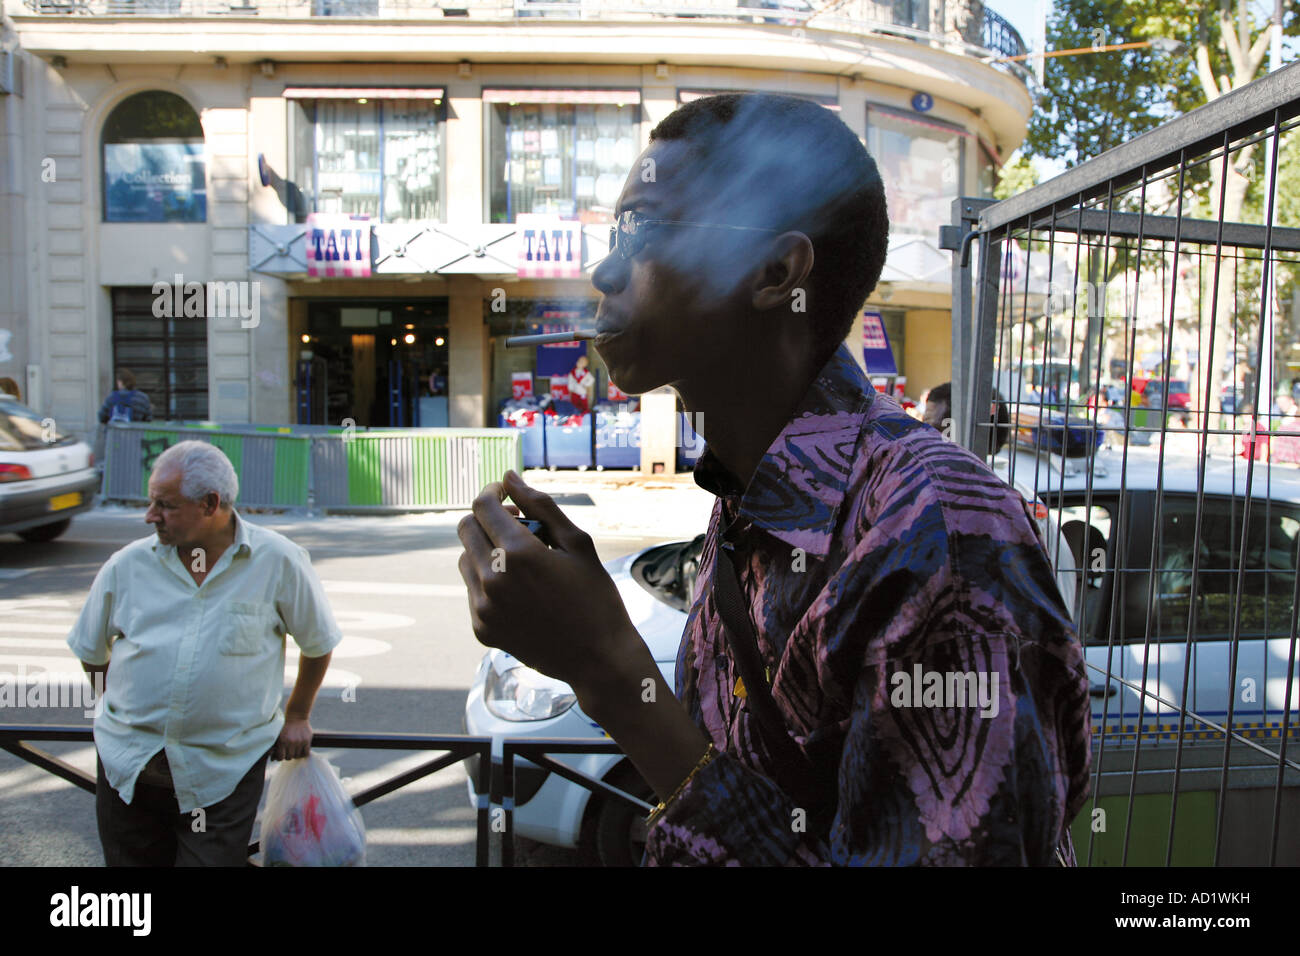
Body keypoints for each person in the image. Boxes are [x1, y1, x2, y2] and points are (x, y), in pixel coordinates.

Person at [456, 93, 1091, 865]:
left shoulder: (939, 534)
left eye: (642, 229)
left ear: (774, 272)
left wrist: (606, 668)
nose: (603, 268)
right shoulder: (748, 502)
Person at [66, 441, 342, 866]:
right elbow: (91, 648)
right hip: (128, 771)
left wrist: (298, 715)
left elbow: (318, 643)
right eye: (151, 502)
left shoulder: (279, 561)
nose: (149, 515)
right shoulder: (126, 566)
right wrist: (112, 708)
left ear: (211, 504)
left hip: (222, 777)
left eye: (165, 505)